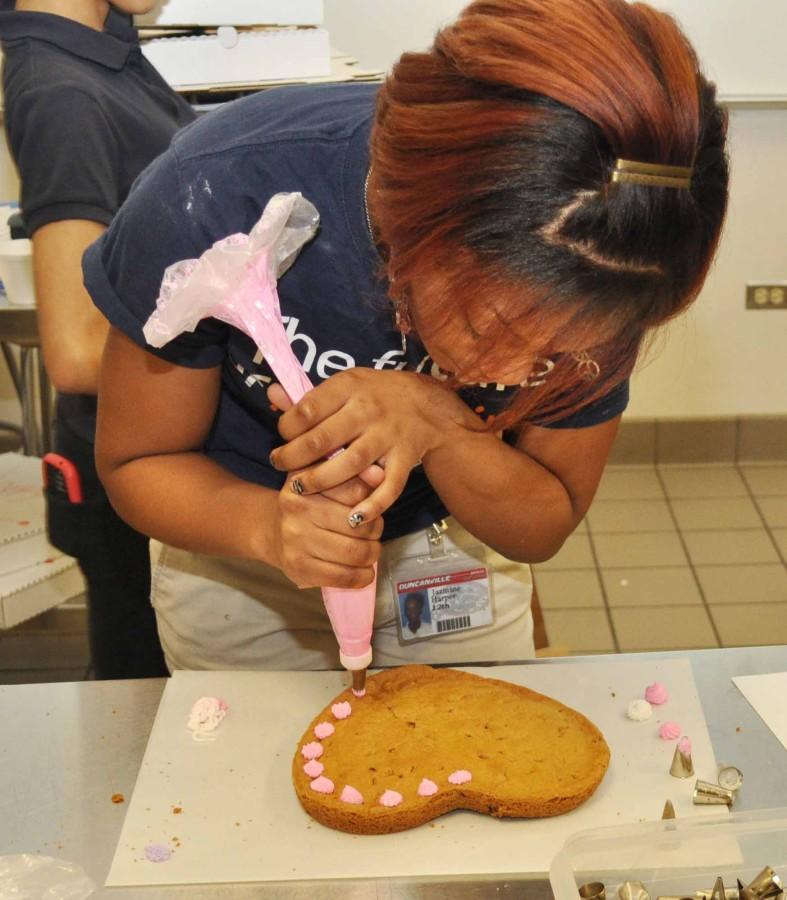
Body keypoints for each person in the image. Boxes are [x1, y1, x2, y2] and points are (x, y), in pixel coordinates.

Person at [85, 0, 728, 671]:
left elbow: (541, 523)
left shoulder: (613, 249)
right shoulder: (218, 189)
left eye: (560, 356)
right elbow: (138, 463)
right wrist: (267, 529)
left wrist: (440, 423)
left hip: (447, 544)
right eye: (492, 326)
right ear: (410, 224)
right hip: (237, 553)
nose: (512, 376)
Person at [0, 0, 196, 677]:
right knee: (143, 721)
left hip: (151, 455)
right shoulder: (61, 90)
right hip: (126, 475)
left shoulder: (108, 57)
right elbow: (78, 351)